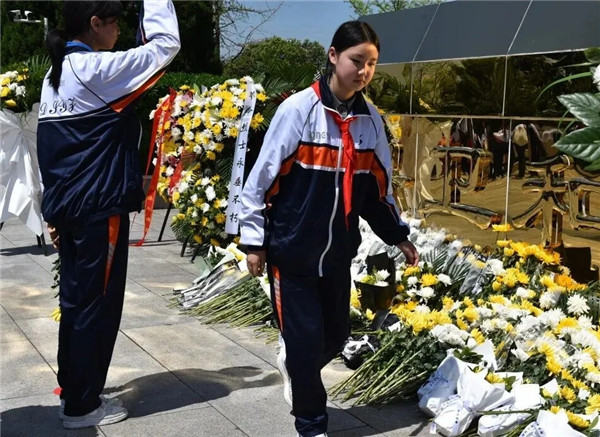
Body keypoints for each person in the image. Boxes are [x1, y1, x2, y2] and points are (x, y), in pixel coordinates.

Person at [239, 21, 419, 437]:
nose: (364, 71)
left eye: (372, 63)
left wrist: (398, 236)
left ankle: (296, 366)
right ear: (334, 56)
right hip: (292, 251)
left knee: (336, 338)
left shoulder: (370, 122)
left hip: (337, 254)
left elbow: (377, 190)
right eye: (357, 60)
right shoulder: (298, 110)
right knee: (304, 343)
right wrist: (254, 241)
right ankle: (311, 423)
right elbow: (261, 181)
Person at [37, 0, 180, 429]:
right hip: (97, 209)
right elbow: (165, 46)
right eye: (114, 22)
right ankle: (82, 406)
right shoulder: (95, 70)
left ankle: (75, 390)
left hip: (72, 206)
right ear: (94, 23)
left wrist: (54, 211)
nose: (118, 30)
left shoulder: (57, 72)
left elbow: (53, 149)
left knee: (77, 303)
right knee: (95, 307)